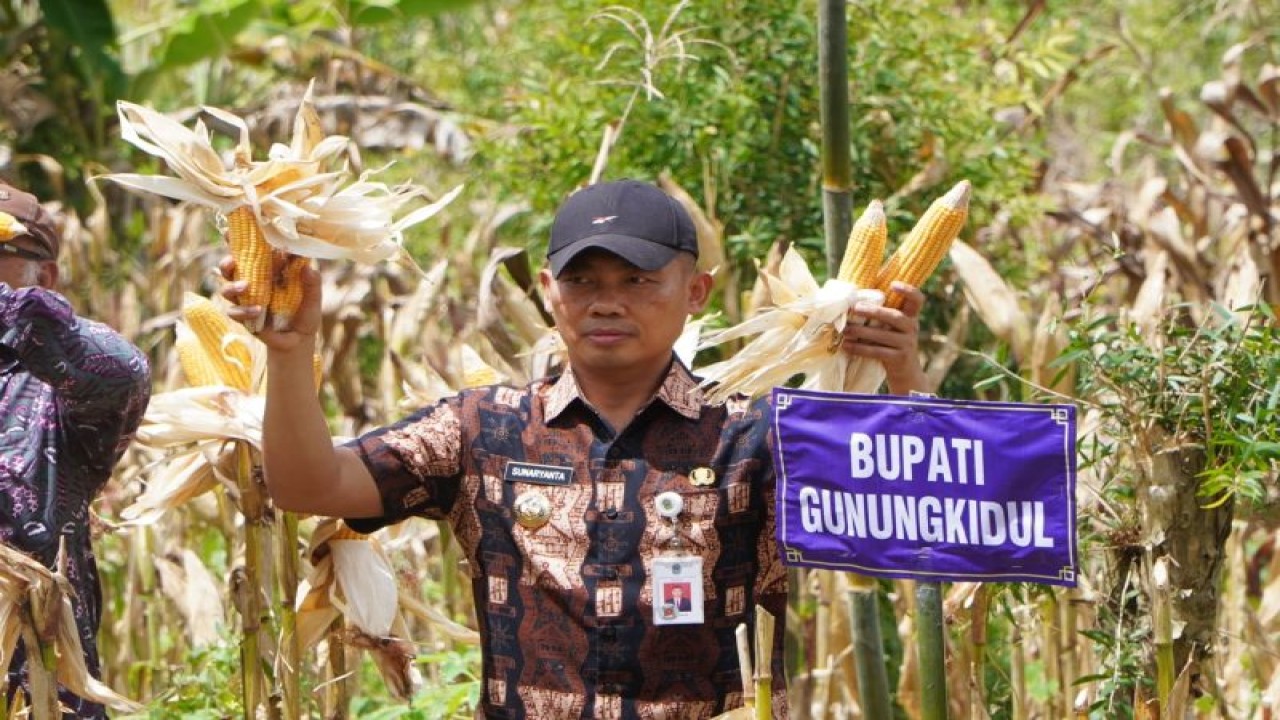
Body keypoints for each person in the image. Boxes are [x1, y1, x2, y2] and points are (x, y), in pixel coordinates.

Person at [227, 179, 927, 719]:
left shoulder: (753, 431)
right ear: (547, 292)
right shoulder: (485, 428)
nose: (606, 302)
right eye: (582, 279)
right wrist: (292, 353)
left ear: (696, 293)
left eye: (638, 280)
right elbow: (309, 488)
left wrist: (903, 380)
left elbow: (905, 518)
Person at [0, 180, 152, 718]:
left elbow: (122, 373)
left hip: (35, 683)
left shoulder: (58, 389)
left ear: (45, 277)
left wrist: (15, 316)